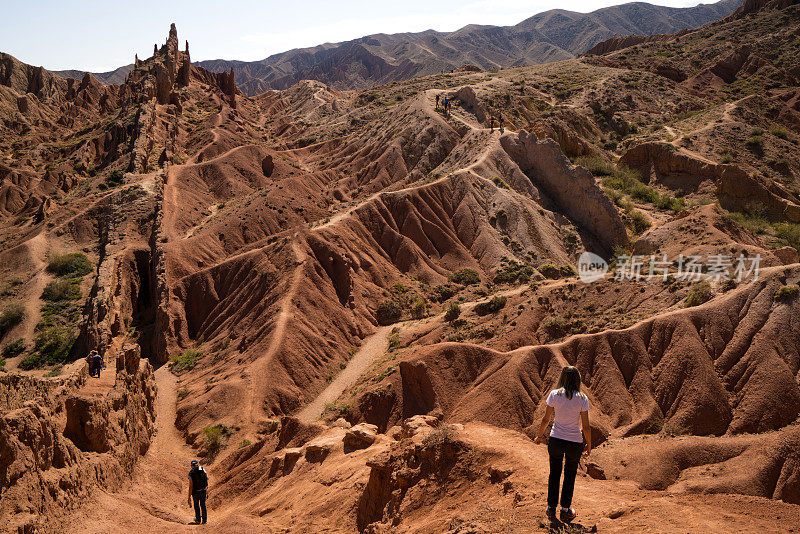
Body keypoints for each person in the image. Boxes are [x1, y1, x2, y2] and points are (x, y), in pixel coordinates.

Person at [533, 366, 591, 523]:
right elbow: (585, 426)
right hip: (574, 442)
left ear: (562, 378)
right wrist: (589, 445)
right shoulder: (582, 398)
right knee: (570, 475)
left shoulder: (554, 394)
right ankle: (565, 510)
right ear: (577, 379)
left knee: (555, 473)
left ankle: (551, 508)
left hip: (556, 439)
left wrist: (539, 436)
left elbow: (546, 419)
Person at [187, 459, 208, 524]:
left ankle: (198, 520)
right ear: (197, 464)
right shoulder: (202, 469)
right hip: (203, 490)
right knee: (203, 505)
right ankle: (204, 520)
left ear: (191, 465)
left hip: (195, 492)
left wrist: (189, 496)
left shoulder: (191, 472)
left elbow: (191, 485)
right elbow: (206, 479)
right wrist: (206, 490)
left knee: (196, 505)